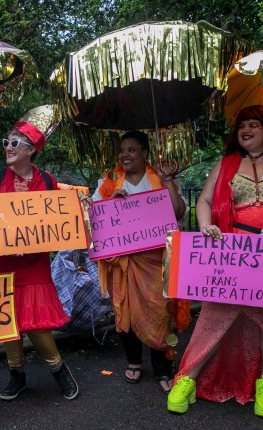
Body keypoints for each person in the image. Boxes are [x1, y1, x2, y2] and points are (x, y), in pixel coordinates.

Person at [167, 105, 263, 419]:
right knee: (214, 315)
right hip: (234, 254)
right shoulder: (225, 164)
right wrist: (204, 226)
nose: (246, 130)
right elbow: (205, 201)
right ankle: (187, 378)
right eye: (242, 125)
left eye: (254, 124)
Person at [0, 105, 79, 401]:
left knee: (37, 325)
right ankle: (16, 374)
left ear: (31, 149)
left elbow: (56, 224)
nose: (7, 148)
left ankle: (59, 369)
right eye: (5, 143)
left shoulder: (46, 182)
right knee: (7, 321)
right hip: (0, 264)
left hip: (33, 264)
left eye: (14, 143)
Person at [91, 130, 189, 392]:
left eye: (132, 149)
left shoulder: (157, 178)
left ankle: (162, 369)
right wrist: (112, 202)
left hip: (156, 261)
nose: (125, 155)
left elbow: (178, 213)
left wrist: (169, 182)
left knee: (161, 311)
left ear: (144, 153)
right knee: (126, 309)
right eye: (122, 150)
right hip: (123, 263)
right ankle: (134, 362)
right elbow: (96, 217)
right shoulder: (110, 180)